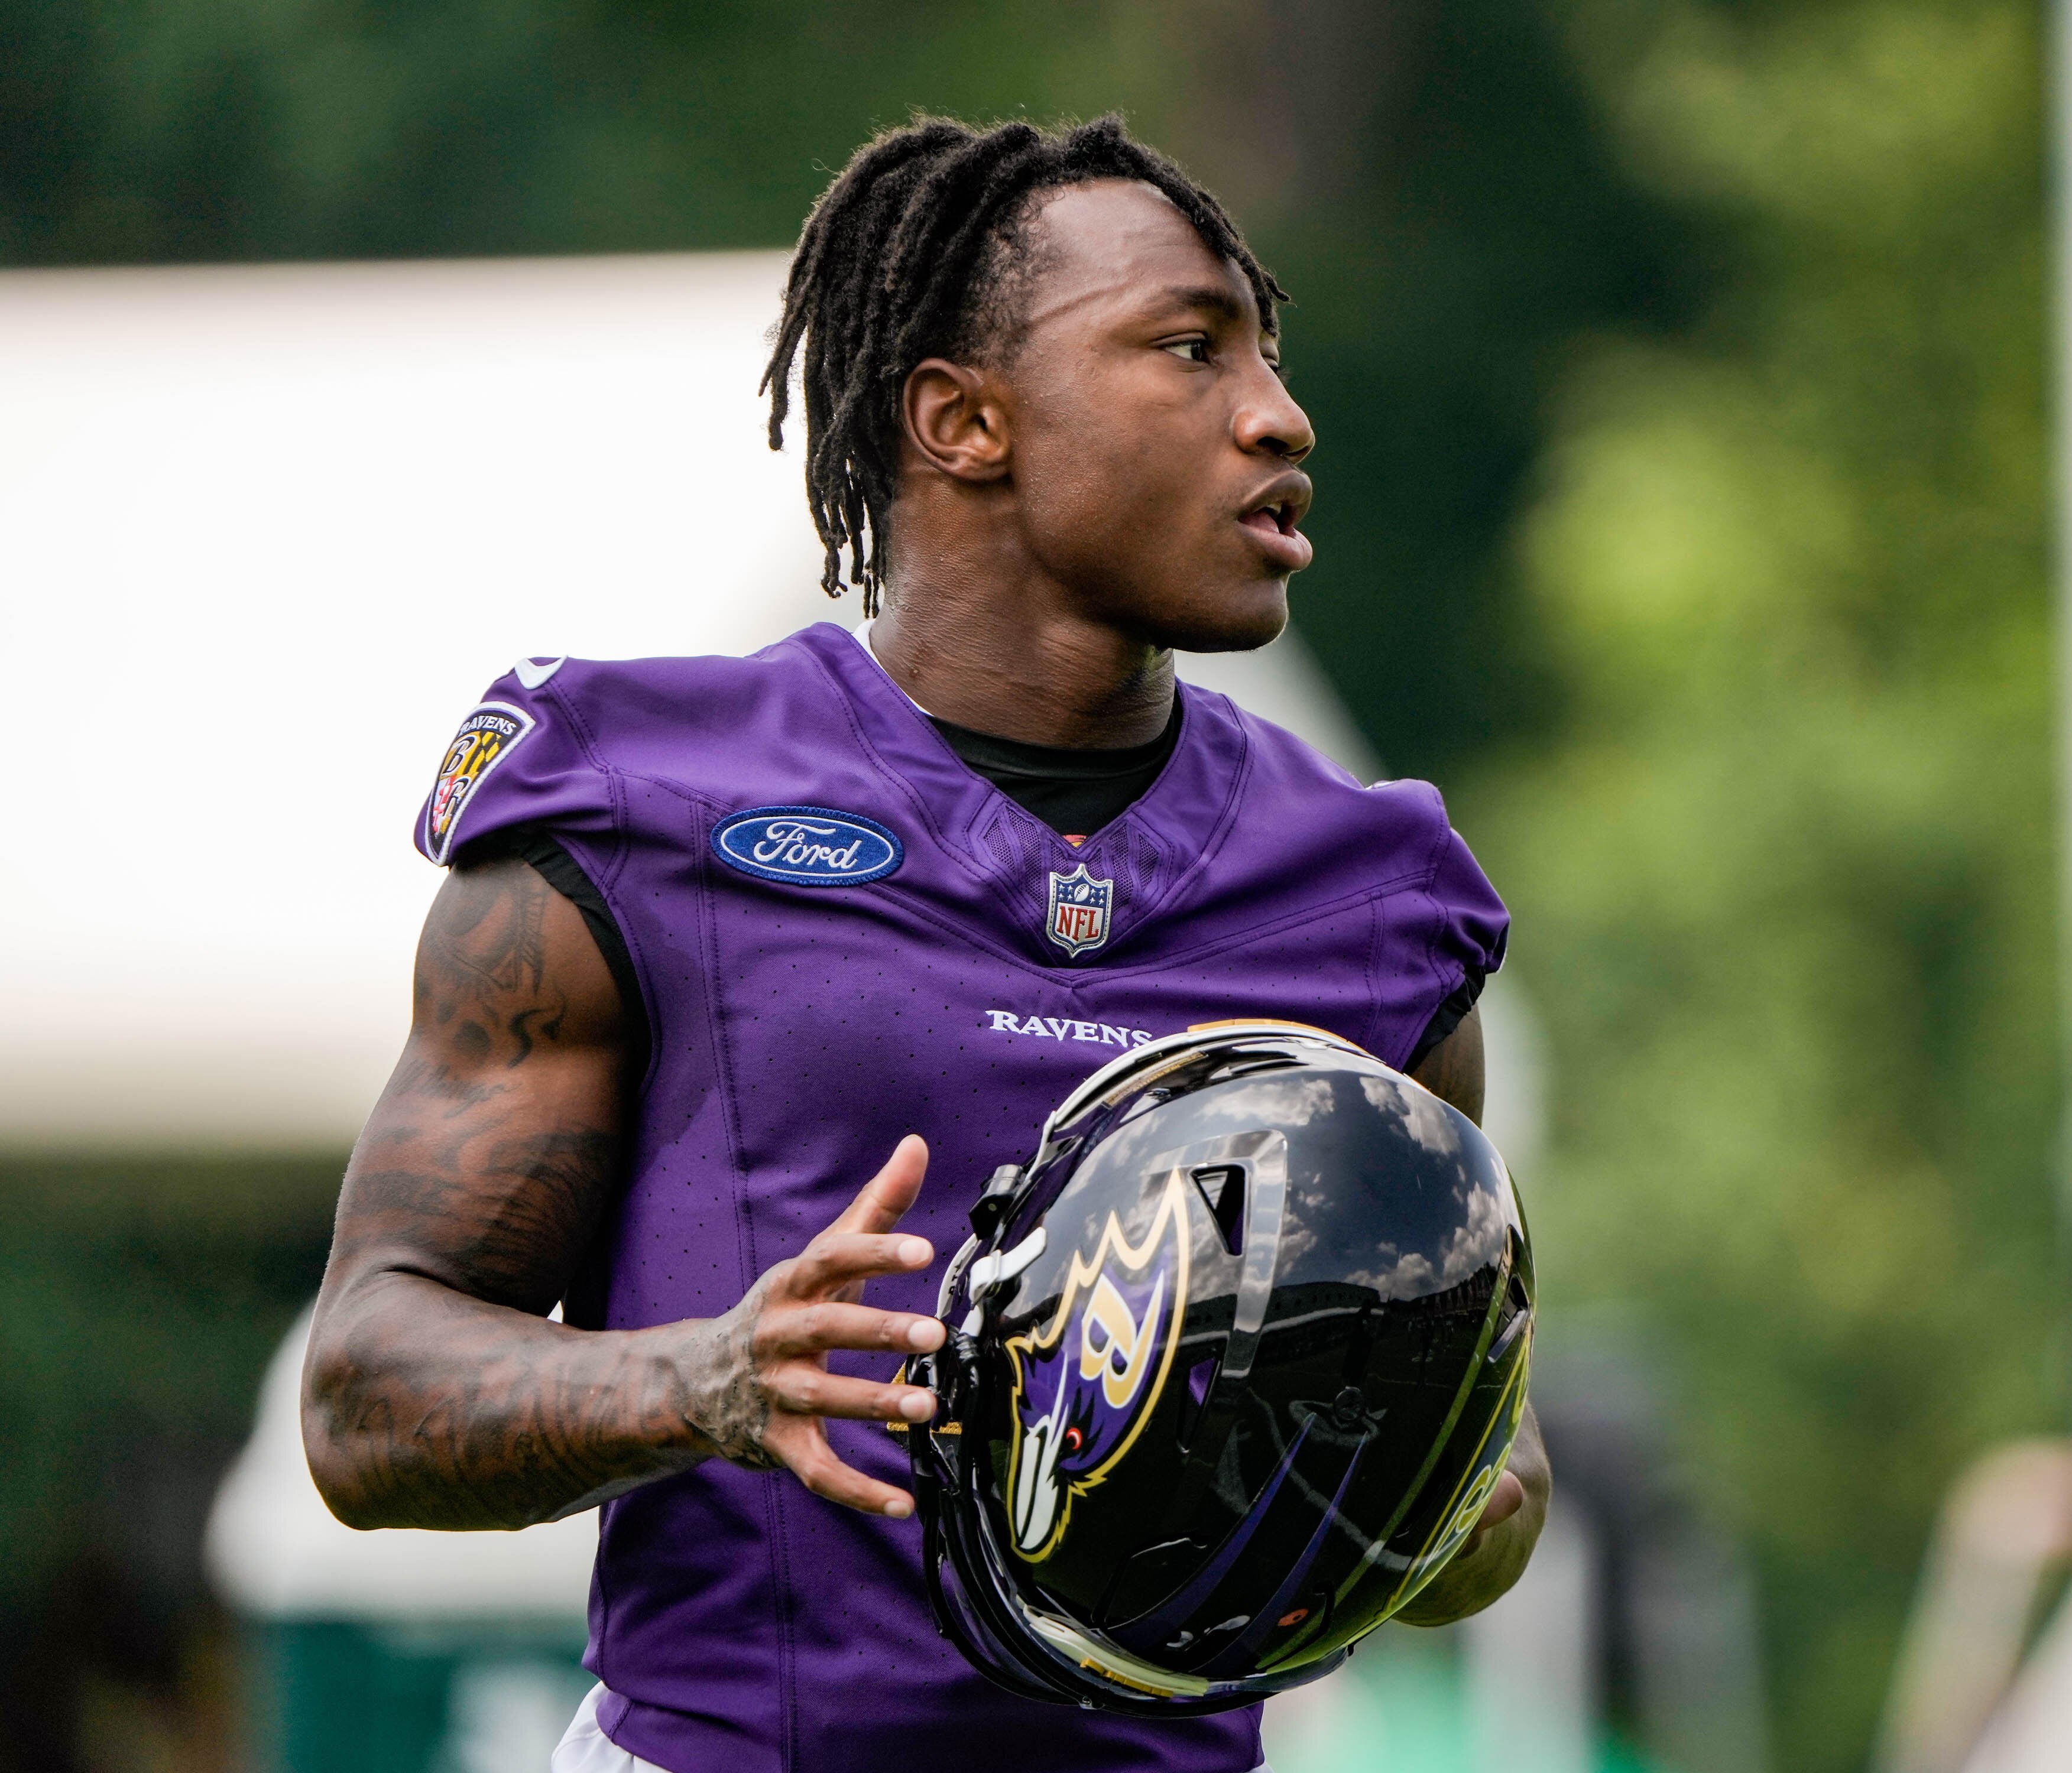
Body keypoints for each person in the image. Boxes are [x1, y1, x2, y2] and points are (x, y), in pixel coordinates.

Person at [301, 113, 1549, 1773]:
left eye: (1267, 354)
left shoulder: (1377, 896)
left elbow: (1494, 1470)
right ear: (963, 420)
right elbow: (365, 1395)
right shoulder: (639, 805)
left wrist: (1411, 1499)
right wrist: (709, 1382)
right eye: (1188, 350)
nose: (1277, 414)